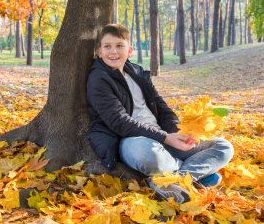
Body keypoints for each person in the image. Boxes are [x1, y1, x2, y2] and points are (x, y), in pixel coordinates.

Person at [86, 24, 234, 204]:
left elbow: (162, 108)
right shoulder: (98, 79)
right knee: (150, 157)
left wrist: (178, 132)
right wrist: (166, 138)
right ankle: (195, 176)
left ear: (129, 50)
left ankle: (173, 180)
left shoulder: (137, 72)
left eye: (119, 46)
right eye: (107, 46)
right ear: (99, 52)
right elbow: (119, 122)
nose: (113, 52)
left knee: (224, 147)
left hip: (163, 136)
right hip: (132, 140)